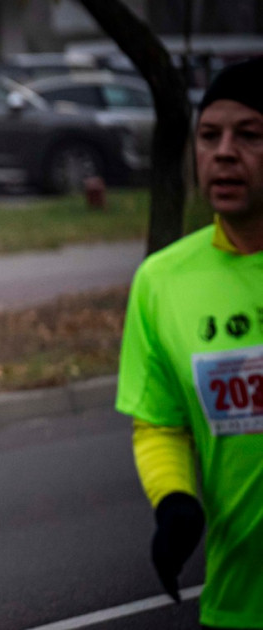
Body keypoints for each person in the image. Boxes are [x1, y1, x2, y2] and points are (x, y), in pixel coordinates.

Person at [117, 57, 263, 630]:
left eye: (250, 135)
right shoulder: (162, 280)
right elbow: (161, 423)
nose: (224, 152)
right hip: (235, 603)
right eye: (209, 136)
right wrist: (175, 501)